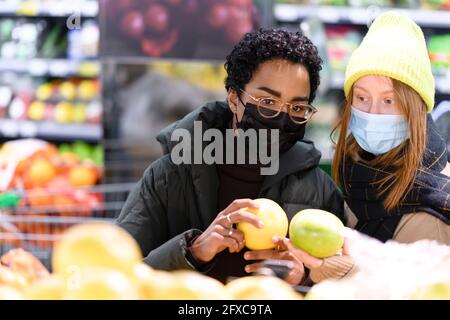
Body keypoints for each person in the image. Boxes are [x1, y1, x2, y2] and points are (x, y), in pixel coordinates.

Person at [116, 28, 345, 284]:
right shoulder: (168, 177)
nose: (282, 120)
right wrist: (191, 252)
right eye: (267, 102)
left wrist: (303, 279)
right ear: (234, 98)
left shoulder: (319, 190)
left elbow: (344, 285)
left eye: (297, 107)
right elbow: (116, 275)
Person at [267, 11, 450, 284]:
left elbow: (414, 289)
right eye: (362, 97)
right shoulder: (361, 172)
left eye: (389, 101)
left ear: (416, 109)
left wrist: (334, 270)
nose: (372, 112)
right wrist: (303, 273)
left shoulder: (433, 214)